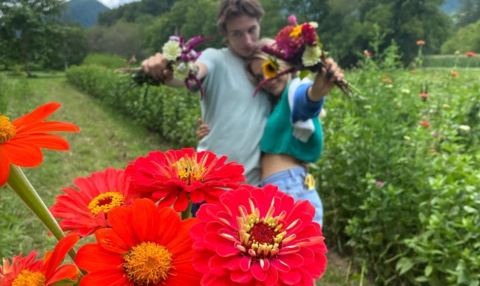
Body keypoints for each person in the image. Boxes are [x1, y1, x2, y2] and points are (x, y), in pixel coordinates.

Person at [196, 38, 343, 226]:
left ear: (285, 64)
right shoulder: (275, 103)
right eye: (258, 78)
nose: (266, 80)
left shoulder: (294, 88)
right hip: (285, 188)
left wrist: (316, 93)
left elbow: (305, 99)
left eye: (269, 69)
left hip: (290, 190)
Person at [142, 0, 270, 188]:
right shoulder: (216, 58)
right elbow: (193, 73)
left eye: (252, 30)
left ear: (260, 23)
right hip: (209, 184)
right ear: (225, 35)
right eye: (237, 33)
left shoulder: (268, 70)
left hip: (251, 188)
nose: (248, 41)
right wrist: (167, 71)